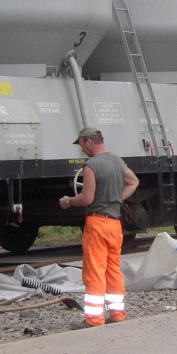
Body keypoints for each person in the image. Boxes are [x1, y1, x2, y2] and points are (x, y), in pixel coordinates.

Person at [59, 127, 139, 328]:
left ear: (88, 141)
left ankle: (94, 319)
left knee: (94, 271)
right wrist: (116, 198)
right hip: (114, 224)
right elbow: (134, 182)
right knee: (113, 270)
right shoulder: (118, 161)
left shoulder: (91, 165)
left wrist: (68, 200)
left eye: (81, 145)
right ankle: (117, 314)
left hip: (97, 223)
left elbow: (87, 198)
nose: (82, 149)